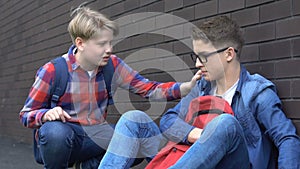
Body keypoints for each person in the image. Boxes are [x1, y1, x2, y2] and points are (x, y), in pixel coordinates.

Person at [98, 15, 300, 169]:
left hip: (230, 163)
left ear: (229, 54)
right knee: (133, 120)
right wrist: (197, 135)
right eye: (195, 56)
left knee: (225, 124)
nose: (196, 64)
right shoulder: (202, 87)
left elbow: (287, 138)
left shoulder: (256, 92)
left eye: (203, 56)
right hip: (188, 158)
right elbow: (169, 120)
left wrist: (214, 135)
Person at [19, 5, 201, 169]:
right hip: (64, 138)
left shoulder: (112, 65)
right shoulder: (53, 71)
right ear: (80, 43)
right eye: (101, 44)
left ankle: (86, 166)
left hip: (95, 135)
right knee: (55, 133)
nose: (109, 49)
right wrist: (45, 114)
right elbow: (26, 115)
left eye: (110, 42)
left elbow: (149, 89)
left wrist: (187, 87)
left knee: (134, 140)